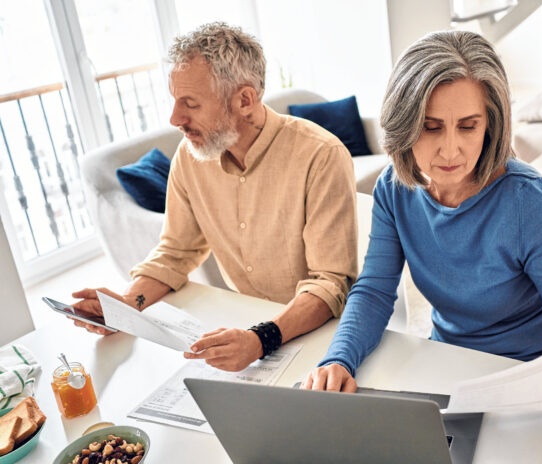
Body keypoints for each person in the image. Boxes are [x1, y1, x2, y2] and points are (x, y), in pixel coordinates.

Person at [301, 31, 542, 462]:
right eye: (430, 127)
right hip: (449, 369)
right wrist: (339, 359)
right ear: (404, 122)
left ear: (491, 123)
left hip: (532, 383)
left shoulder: (526, 200)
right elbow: (375, 292)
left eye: (468, 126)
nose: (450, 149)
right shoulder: (394, 190)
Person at [70, 22, 357, 372]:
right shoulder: (190, 158)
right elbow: (175, 252)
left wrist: (260, 338)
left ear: (245, 100)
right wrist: (128, 303)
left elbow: (330, 283)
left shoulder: (321, 155)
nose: (175, 118)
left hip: (316, 335)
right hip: (244, 331)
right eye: (175, 101)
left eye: (190, 104)